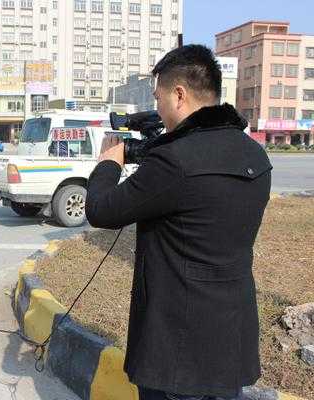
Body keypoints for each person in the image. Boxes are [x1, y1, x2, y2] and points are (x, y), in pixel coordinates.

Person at [85, 45, 272, 400]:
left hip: (176, 349)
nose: (157, 108)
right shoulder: (254, 154)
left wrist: (109, 162)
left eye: (158, 99)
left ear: (179, 95)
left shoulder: (175, 161)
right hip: (230, 341)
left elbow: (102, 210)